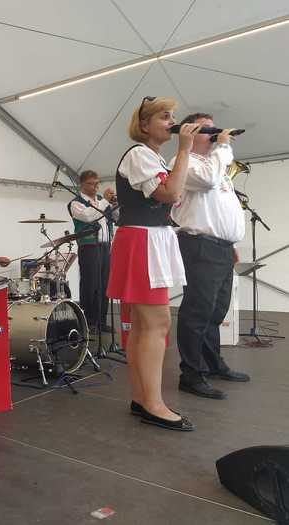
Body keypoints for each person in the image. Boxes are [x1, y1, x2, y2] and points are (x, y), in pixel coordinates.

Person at [107, 96, 201, 432]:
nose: (172, 122)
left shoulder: (152, 157)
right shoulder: (139, 154)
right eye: (164, 116)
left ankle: (142, 397)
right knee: (157, 323)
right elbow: (170, 194)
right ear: (144, 124)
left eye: (172, 116)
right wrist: (186, 149)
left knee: (144, 325)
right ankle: (154, 404)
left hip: (150, 238)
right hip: (142, 240)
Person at [170, 113, 250, 399]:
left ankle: (212, 364)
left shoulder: (214, 164)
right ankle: (191, 375)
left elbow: (218, 205)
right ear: (190, 133)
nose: (215, 133)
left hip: (221, 247)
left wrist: (229, 240)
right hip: (199, 245)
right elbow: (207, 182)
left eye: (215, 128)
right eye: (208, 129)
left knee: (216, 311)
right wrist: (224, 146)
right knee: (197, 311)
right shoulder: (184, 162)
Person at [67, 170, 119, 333]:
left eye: (97, 183)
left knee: (104, 284)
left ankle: (101, 321)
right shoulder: (76, 203)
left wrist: (115, 204)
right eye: (91, 184)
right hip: (89, 246)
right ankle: (88, 322)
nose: (96, 187)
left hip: (105, 246)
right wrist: (105, 202)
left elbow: (117, 218)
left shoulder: (102, 201)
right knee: (90, 285)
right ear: (82, 184)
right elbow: (89, 216)